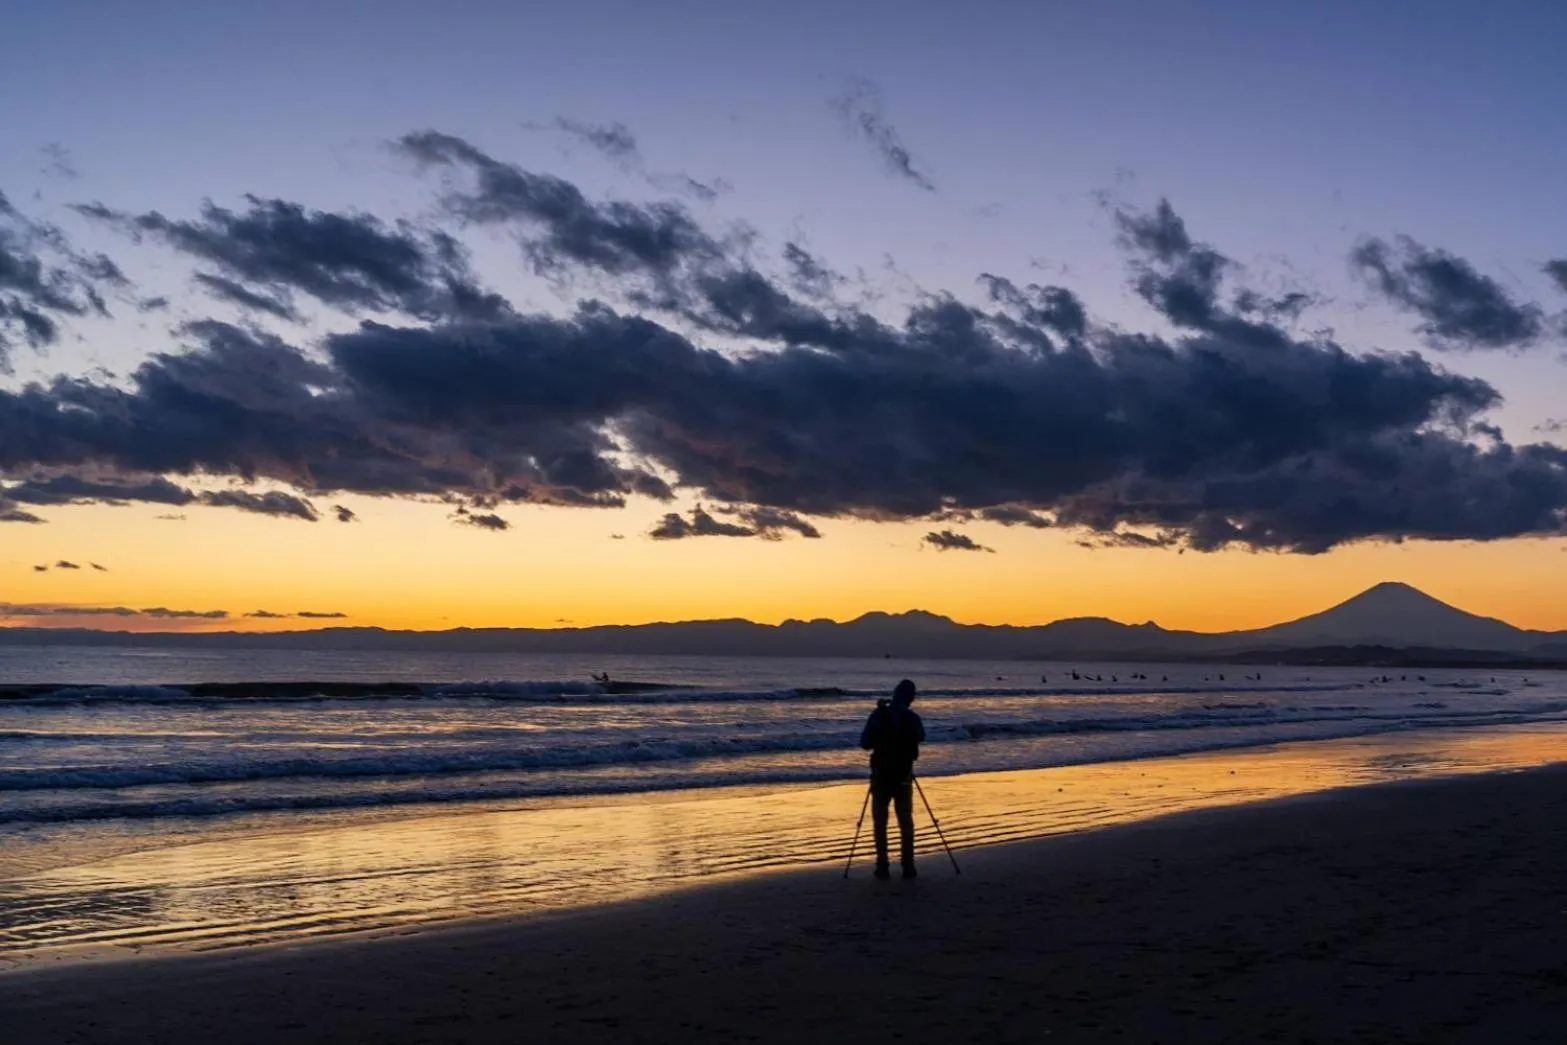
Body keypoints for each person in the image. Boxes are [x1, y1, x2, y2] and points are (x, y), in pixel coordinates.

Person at [859, 679, 925, 879]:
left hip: (881, 775)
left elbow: (865, 743)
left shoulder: (879, 714)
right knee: (905, 822)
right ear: (909, 698)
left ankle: (882, 866)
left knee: (880, 822)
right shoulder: (911, 717)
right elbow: (921, 736)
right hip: (903, 775)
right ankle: (908, 866)